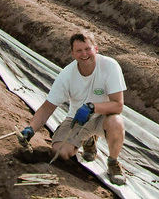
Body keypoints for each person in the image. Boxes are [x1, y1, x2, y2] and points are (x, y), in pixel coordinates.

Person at [20, 32, 128, 186]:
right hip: (77, 118)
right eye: (79, 51)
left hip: (102, 117)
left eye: (87, 49)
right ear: (73, 54)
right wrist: (31, 129)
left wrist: (92, 107)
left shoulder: (110, 66)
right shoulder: (67, 75)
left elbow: (118, 105)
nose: (84, 54)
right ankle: (88, 139)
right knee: (61, 152)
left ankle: (113, 163)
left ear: (96, 49)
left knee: (117, 122)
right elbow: (48, 107)